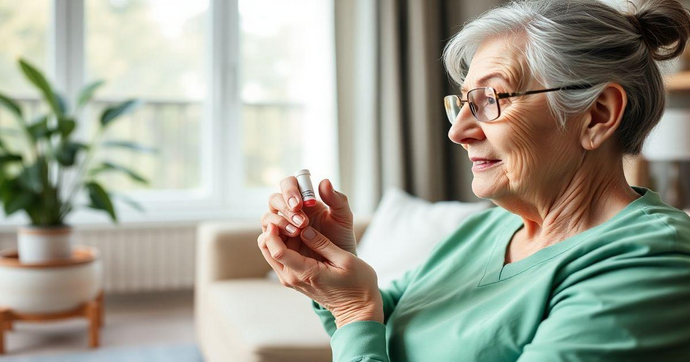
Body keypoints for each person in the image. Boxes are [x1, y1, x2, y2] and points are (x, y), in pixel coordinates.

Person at [257, 0, 690, 360]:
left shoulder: (649, 261)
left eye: (490, 99)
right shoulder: (489, 228)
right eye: (463, 102)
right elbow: (382, 312)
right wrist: (334, 270)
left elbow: (361, 317)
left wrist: (354, 310)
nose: (458, 131)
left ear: (596, 116)